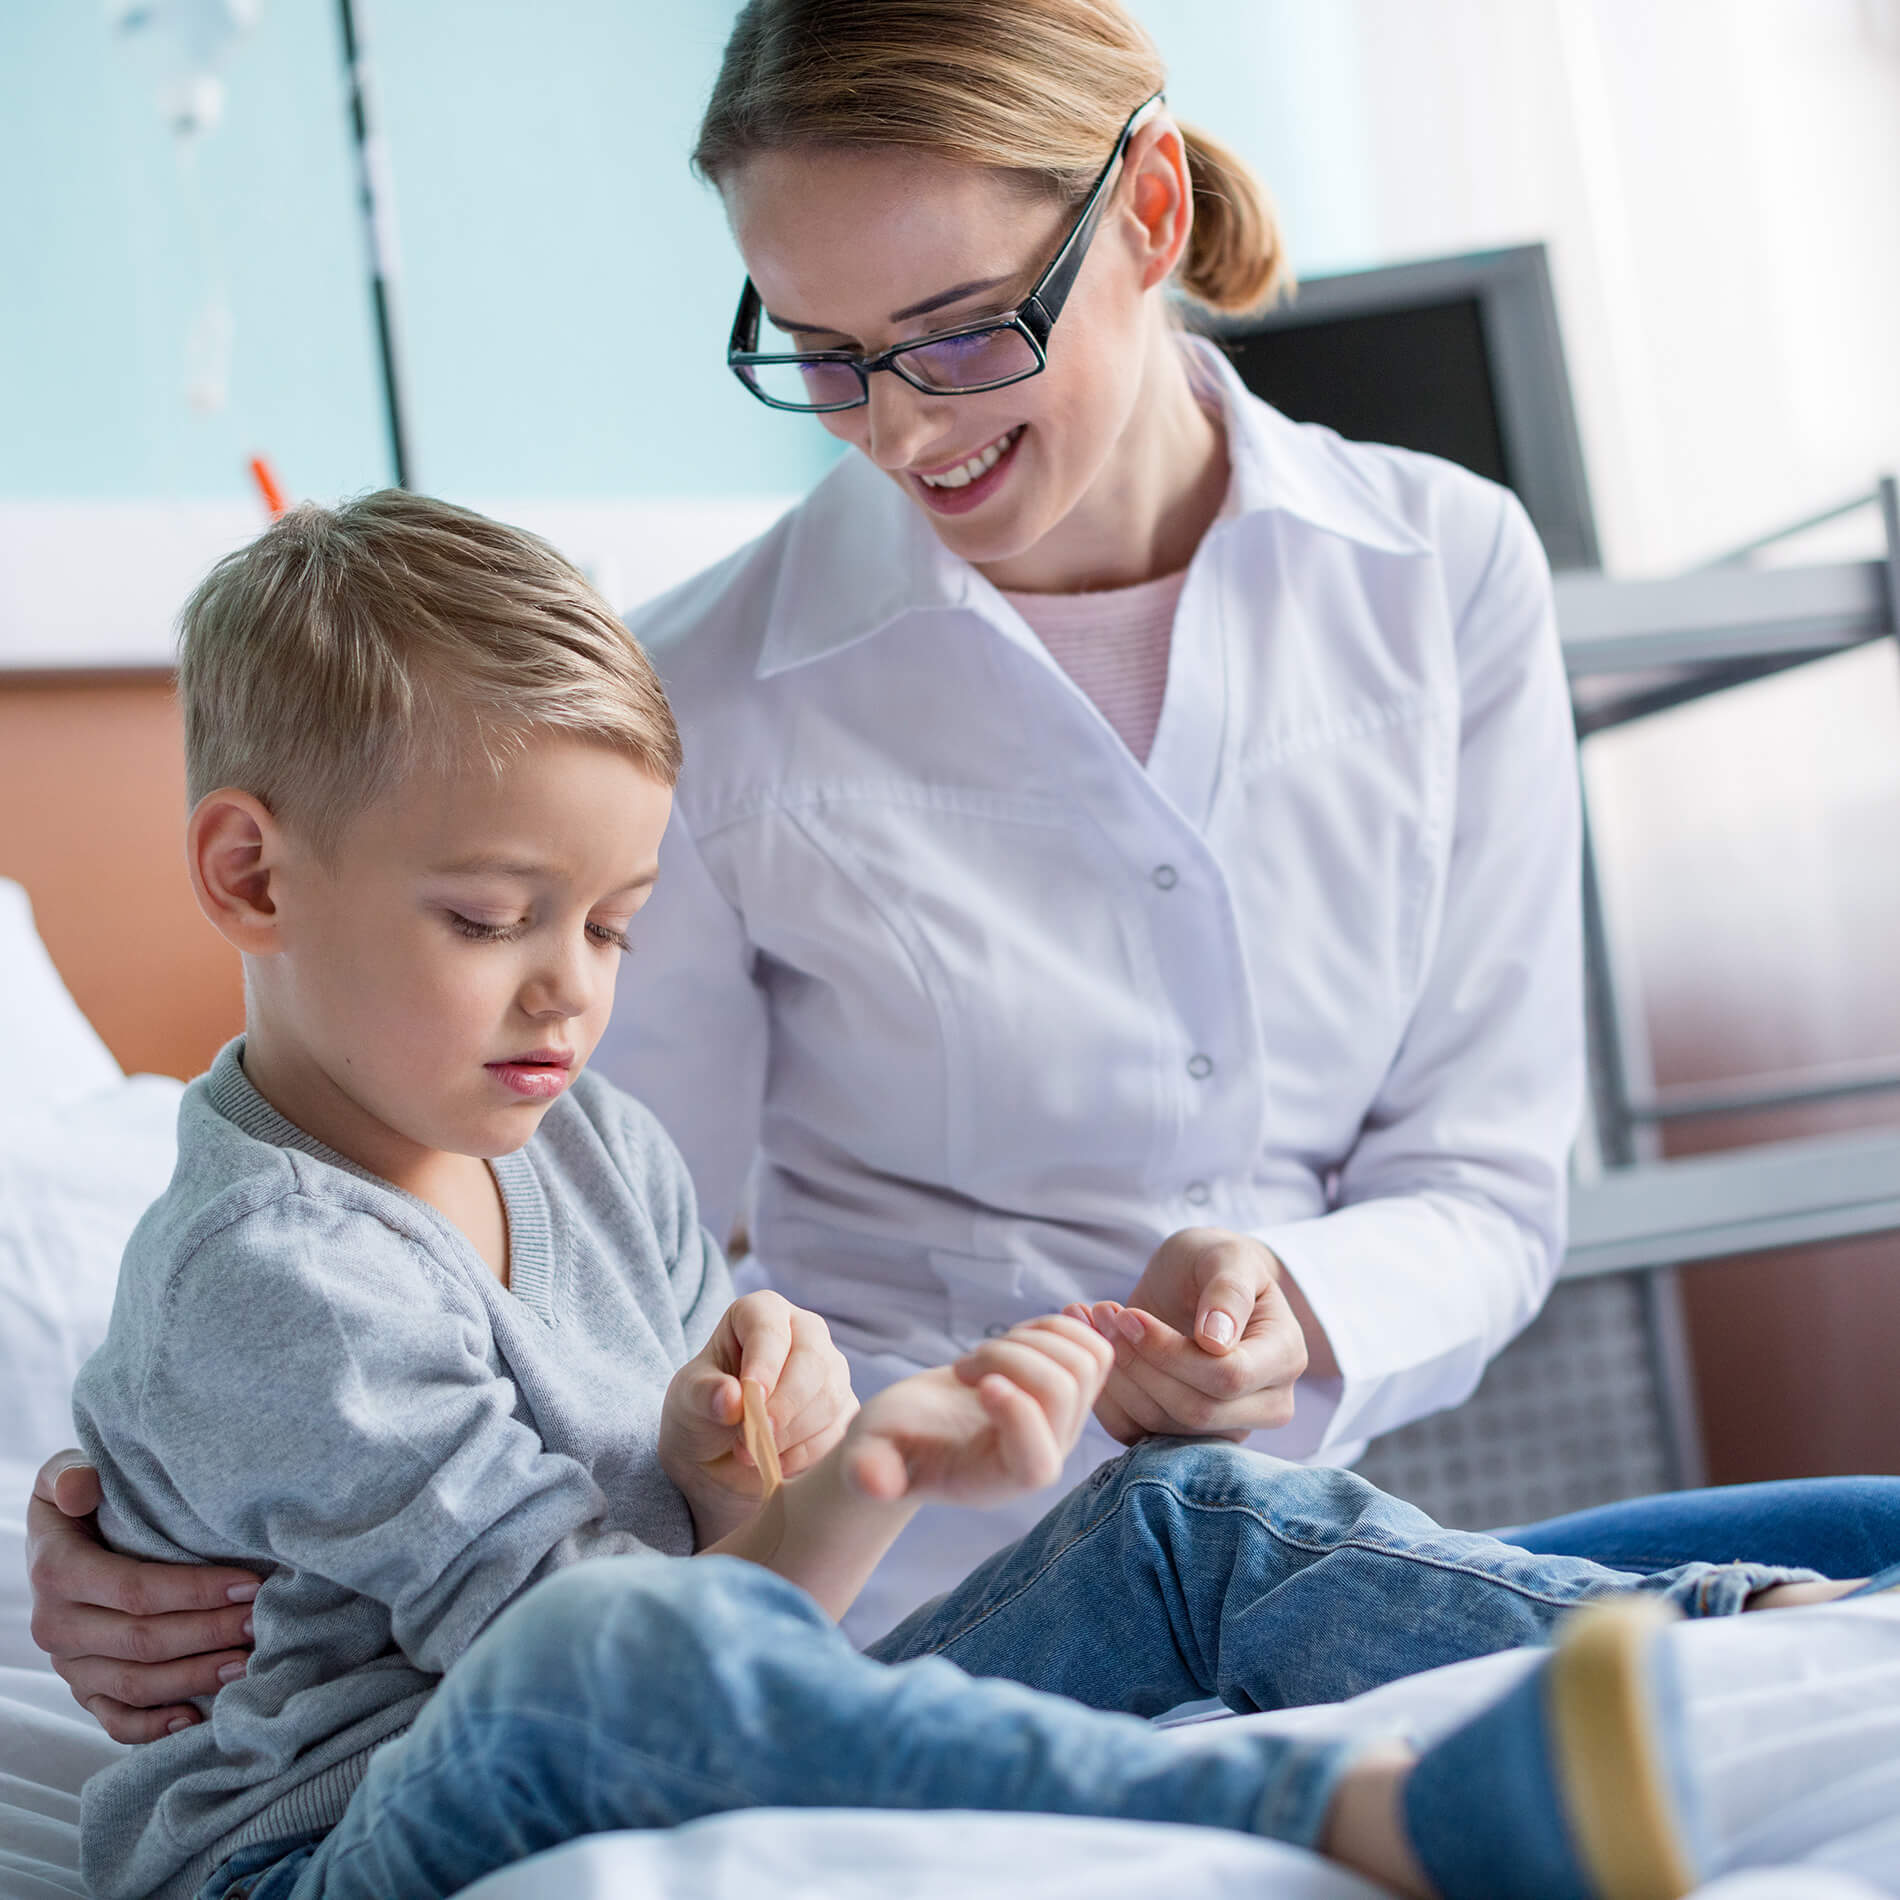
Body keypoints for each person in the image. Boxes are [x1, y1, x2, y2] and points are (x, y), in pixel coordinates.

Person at [25, 0, 1900, 1725]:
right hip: (888, 1618)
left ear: (1147, 209)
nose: (905, 426)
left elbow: (1485, 1184)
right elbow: (520, 1239)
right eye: (825, 358)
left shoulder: (1445, 573)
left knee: (1856, 1540)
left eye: (959, 328)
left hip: (1313, 1562)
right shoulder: (703, 697)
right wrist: (132, 1500)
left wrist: (1295, 1309)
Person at [64, 492, 1858, 1900]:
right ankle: (1342, 1811)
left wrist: (741, 1452)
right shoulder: (273, 1271)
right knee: (601, 1648)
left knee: (1188, 1516)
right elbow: (611, 1654)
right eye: (489, 920)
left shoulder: (587, 1141)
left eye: (614, 925)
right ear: (251, 874)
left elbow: (728, 1586)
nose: (570, 993)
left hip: (670, 1698)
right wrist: (874, 1476)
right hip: (336, 1851)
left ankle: (1747, 1643)